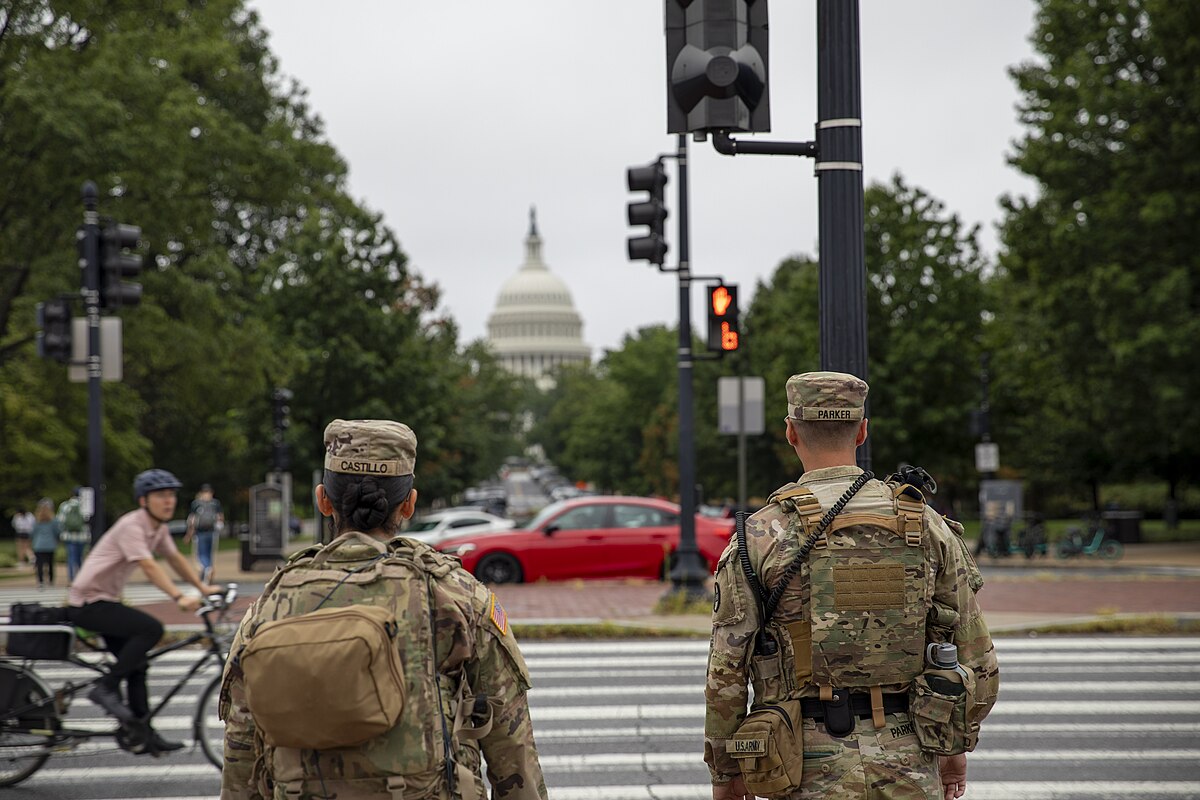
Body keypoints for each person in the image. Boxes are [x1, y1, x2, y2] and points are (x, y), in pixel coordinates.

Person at [705, 372, 1000, 800]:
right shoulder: (926, 525)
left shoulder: (761, 534)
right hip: (910, 759)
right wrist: (953, 744)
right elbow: (977, 658)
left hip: (802, 766)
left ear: (791, 432)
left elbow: (726, 673)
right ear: (862, 431)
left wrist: (726, 771)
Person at [220, 419, 547, 800]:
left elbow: (242, 742)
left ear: (323, 499)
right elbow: (511, 742)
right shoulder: (455, 595)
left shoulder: (271, 604)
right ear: (408, 504)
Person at [66, 468, 221, 754]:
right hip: (87, 604)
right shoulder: (132, 526)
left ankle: (142, 733)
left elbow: (173, 558)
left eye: (172, 495)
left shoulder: (157, 528)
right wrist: (178, 597)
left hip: (105, 601)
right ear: (143, 500)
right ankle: (106, 687)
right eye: (161, 495)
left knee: (137, 665)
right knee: (151, 628)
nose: (169, 501)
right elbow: (150, 566)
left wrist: (202, 588)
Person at [184, 483, 224, 584]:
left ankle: (205, 569)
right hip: (209, 532)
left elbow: (192, 520)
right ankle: (208, 569)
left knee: (202, 553)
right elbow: (220, 517)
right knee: (207, 552)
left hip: (202, 532)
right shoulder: (215, 503)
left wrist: (189, 534)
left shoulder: (197, 504)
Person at [57, 487, 91, 582]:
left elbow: (60, 521)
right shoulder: (84, 506)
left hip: (69, 536)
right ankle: (81, 578)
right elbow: (88, 521)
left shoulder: (65, 506)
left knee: (71, 557)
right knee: (80, 558)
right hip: (82, 536)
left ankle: (71, 578)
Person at [30, 498, 61, 588]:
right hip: (50, 545)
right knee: (50, 563)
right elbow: (57, 532)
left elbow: (32, 533)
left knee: (39, 564)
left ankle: (40, 581)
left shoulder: (37, 520)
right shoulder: (53, 520)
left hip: (39, 545)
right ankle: (51, 580)